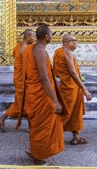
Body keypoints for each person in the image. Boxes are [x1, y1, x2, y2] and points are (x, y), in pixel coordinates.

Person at [20, 25, 68, 165]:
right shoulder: (40, 51)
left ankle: (33, 149)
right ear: (47, 36)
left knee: (38, 125)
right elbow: (43, 78)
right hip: (42, 95)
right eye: (51, 34)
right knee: (43, 126)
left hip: (37, 93)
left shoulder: (32, 48)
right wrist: (54, 100)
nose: (51, 36)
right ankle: (39, 159)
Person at [53, 34, 92, 145]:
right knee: (67, 113)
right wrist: (85, 89)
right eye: (74, 41)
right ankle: (51, 136)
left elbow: (56, 72)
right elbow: (73, 73)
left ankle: (76, 137)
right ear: (67, 42)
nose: (76, 43)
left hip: (68, 87)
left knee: (74, 113)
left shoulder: (58, 52)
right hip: (70, 88)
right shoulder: (67, 53)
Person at [0, 29, 35, 132]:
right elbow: (27, 66)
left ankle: (31, 126)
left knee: (26, 101)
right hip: (23, 78)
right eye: (33, 37)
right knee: (23, 102)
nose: (34, 39)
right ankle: (2, 118)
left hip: (18, 77)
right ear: (28, 36)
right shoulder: (26, 49)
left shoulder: (18, 47)